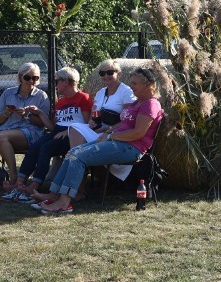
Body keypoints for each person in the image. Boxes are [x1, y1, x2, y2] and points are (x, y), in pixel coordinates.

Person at [38, 67, 164, 214]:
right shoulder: (137, 102)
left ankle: (64, 203)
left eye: (135, 84)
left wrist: (111, 136)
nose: (131, 86)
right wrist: (108, 130)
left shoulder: (150, 104)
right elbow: (124, 125)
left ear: (147, 85)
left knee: (78, 157)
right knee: (72, 152)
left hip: (131, 148)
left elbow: (138, 133)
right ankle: (55, 194)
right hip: (118, 142)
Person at [0, 67, 92, 202]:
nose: (55, 85)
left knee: (46, 148)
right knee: (35, 147)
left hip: (73, 135)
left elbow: (87, 124)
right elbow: (52, 127)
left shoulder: (83, 98)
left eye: (57, 81)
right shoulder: (61, 102)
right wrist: (39, 112)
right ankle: (19, 182)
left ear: (65, 82)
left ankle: (35, 184)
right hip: (57, 133)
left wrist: (67, 132)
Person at [0, 62, 50, 193]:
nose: (32, 81)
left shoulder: (42, 96)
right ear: (20, 77)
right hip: (6, 129)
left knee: (2, 136)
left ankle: (14, 178)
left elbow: (43, 123)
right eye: (28, 78)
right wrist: (7, 112)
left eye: (35, 78)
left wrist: (26, 115)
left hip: (30, 131)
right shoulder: (8, 93)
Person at [67, 59, 134, 147]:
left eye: (110, 72)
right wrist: (91, 122)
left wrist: (108, 129)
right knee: (74, 127)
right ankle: (76, 155)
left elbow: (128, 120)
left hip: (113, 132)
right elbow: (93, 115)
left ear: (119, 74)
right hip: (97, 130)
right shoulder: (100, 93)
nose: (106, 76)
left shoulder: (126, 92)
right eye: (102, 73)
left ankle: (77, 156)